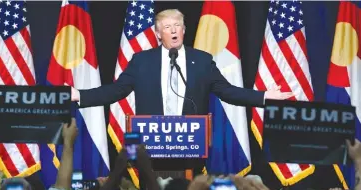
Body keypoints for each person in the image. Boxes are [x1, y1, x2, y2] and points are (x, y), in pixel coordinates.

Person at [71, 9, 293, 113]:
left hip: (191, 145)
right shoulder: (141, 61)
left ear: (184, 30)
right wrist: (80, 95)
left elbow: (228, 91)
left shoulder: (202, 61)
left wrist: (264, 96)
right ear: (159, 34)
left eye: (177, 26)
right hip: (152, 145)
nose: (173, 30)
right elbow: (116, 91)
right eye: (167, 27)